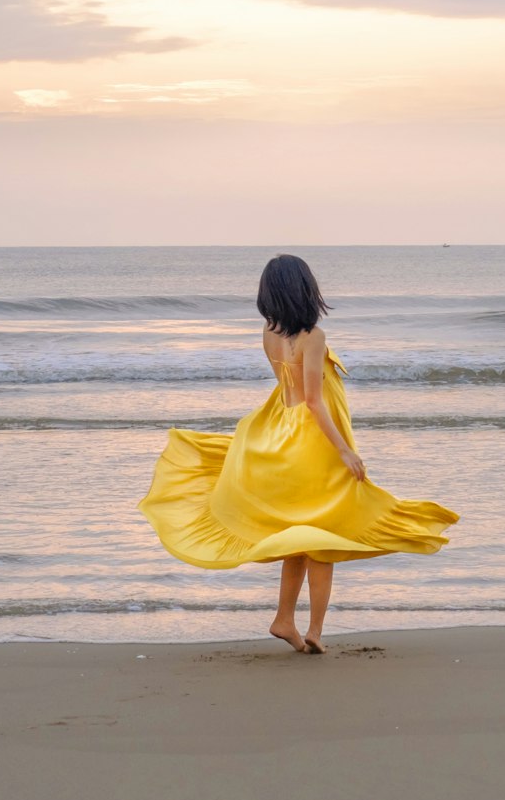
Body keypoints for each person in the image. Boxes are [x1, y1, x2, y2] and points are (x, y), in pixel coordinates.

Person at [137, 253, 459, 654]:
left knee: (298, 537)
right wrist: (344, 451)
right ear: (305, 289)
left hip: (281, 438)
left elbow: (287, 394)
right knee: (323, 541)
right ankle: (316, 632)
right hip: (314, 446)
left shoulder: (269, 334)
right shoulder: (313, 336)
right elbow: (313, 401)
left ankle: (284, 619)